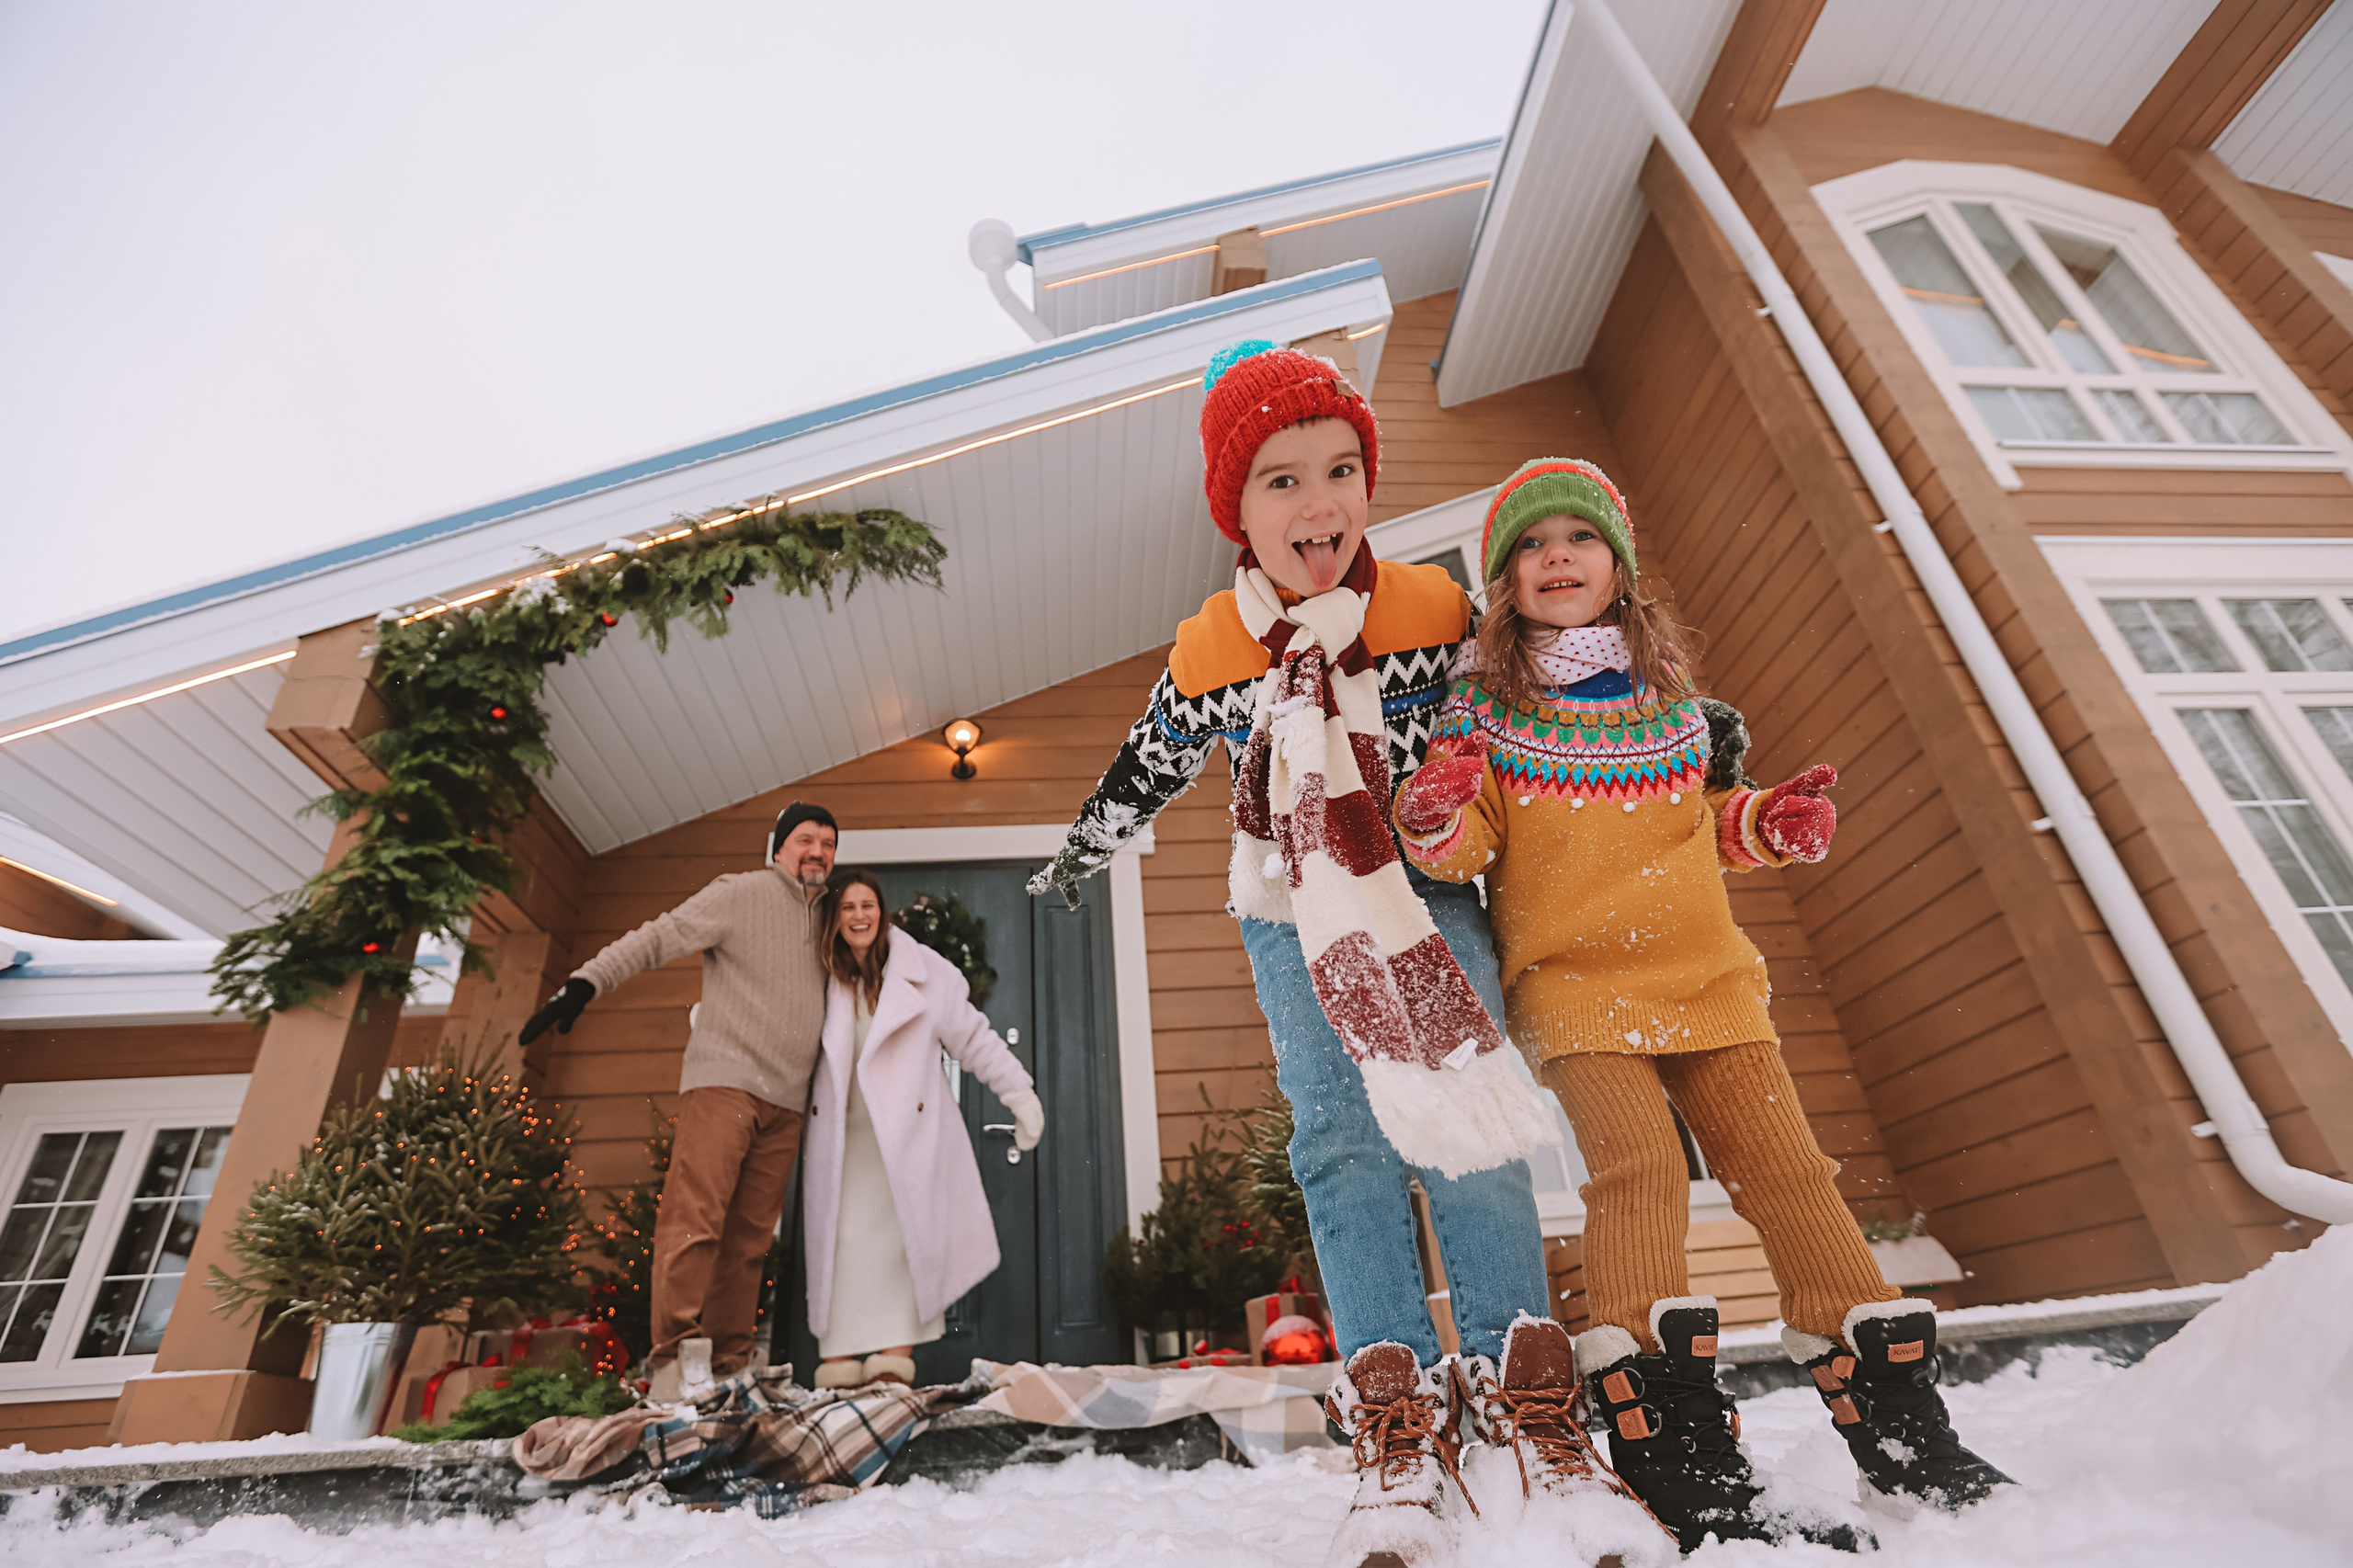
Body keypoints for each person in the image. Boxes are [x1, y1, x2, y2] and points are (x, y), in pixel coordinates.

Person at [1030, 344, 1664, 1568]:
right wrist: (1076, 857)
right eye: (1281, 480)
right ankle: (1396, 1414)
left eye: (1339, 471)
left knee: (1470, 1117)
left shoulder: (1431, 611)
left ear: (1368, 483)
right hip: (1290, 911)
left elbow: (1528, 707)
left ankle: (1525, 1404)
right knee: (1338, 1135)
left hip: (1430, 896)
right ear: (1237, 509)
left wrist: (1664, 731)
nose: (1317, 503)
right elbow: (1147, 763)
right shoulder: (1212, 648)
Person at [1393, 458, 2013, 1545]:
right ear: (1504, 582)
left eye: (1579, 538)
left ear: (1619, 568)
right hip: (1574, 987)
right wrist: (1433, 812)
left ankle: (1900, 1430)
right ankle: (1668, 1438)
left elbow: (1708, 823)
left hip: (1707, 976)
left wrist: (1769, 823)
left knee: (1789, 1170)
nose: (1556, 557)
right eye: (1531, 545)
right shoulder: (1482, 711)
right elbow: (1467, 847)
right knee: (1638, 1166)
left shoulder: (1677, 703)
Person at [520, 800, 840, 1400]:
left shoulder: (831, 920)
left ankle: (729, 1364)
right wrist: (584, 983)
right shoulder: (739, 893)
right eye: (805, 839)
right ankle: (674, 1362)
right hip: (726, 1083)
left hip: (788, 1104)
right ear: (779, 848)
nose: (817, 852)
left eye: (828, 843)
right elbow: (659, 936)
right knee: (696, 1220)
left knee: (749, 1242)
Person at [801, 869, 1042, 1387]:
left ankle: (892, 1365)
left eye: (868, 905)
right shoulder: (818, 977)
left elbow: (974, 1039)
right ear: (834, 919)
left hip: (905, 1147)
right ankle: (839, 1365)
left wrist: (1019, 1094)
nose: (859, 916)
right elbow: (778, 1027)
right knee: (842, 1250)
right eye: (848, 908)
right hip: (844, 1148)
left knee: (901, 1249)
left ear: (882, 912)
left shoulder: (924, 973)